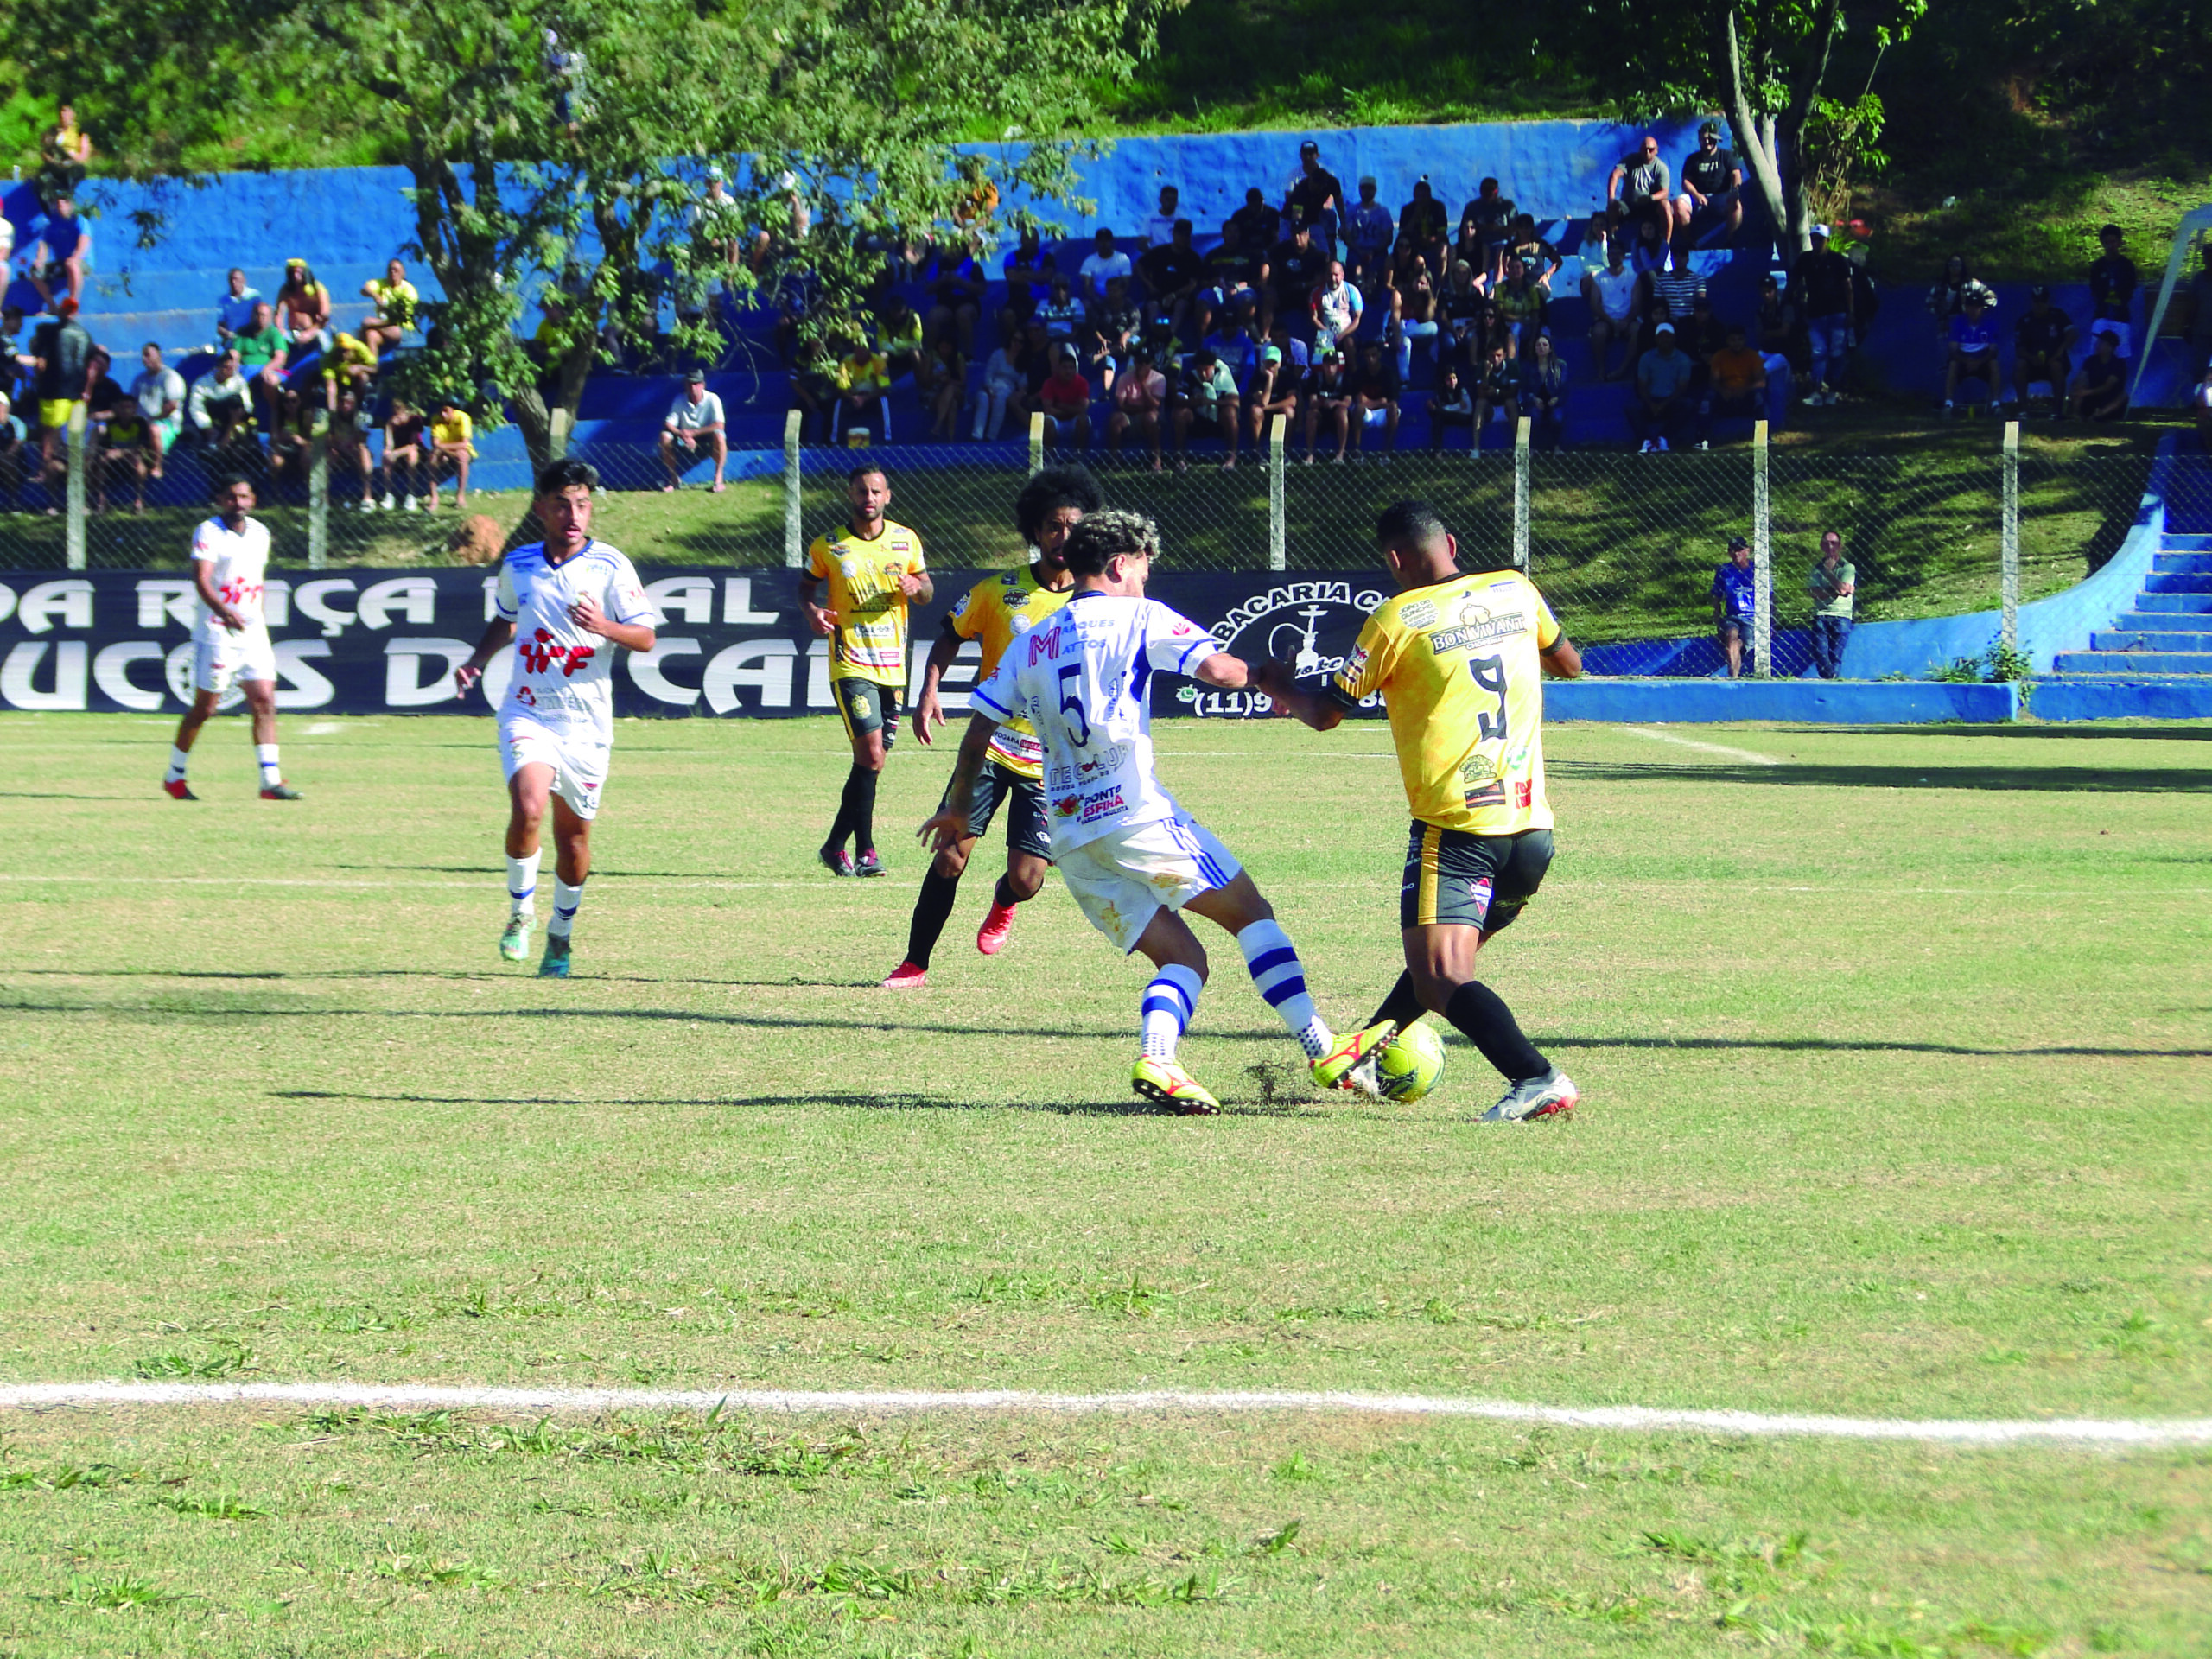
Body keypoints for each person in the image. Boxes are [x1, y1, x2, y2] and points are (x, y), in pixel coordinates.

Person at [928, 509, 1383, 1114]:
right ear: (1120, 565)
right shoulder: (1139, 615)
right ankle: (1321, 1046)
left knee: (1185, 957)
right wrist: (1270, 679)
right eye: (1144, 568)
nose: (1146, 580)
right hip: (1134, 815)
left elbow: (979, 726)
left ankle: (1160, 1060)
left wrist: (959, 806)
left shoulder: (1031, 641)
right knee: (1251, 913)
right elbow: (1220, 670)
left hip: (1070, 837)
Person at [1257, 499, 1584, 1124]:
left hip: (1457, 829)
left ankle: (1536, 1076)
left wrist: (1278, 686)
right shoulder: (1516, 591)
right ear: (1452, 544)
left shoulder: (1398, 617)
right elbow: (1567, 661)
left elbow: (1326, 712)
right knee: (1441, 965)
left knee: (1439, 977)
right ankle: (1361, 1050)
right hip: (1532, 831)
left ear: (1395, 560)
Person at [887, 467, 1103, 989]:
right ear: (1035, 530)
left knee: (1029, 880)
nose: (1063, 537)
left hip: (1051, 762)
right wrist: (929, 690)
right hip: (989, 746)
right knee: (950, 856)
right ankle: (915, 962)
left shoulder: (1099, 602)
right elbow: (948, 635)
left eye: (1073, 527)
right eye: (1053, 526)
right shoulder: (998, 590)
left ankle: (1004, 901)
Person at [453, 459, 658, 977]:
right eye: (563, 504)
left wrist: (605, 625)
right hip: (528, 711)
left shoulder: (610, 565)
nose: (574, 514)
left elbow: (646, 636)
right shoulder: (519, 564)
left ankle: (560, 935)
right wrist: (477, 661)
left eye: (583, 504)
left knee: (574, 841)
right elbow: (505, 618)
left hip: (586, 725)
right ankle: (520, 914)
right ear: (542, 507)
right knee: (527, 806)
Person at [802, 467, 931, 877]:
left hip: (892, 666)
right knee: (871, 754)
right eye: (861, 491)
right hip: (850, 662)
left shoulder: (905, 540)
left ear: (888, 496)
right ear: (850, 494)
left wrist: (917, 587)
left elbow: (927, 590)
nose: (868, 497)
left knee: (872, 763)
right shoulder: (830, 545)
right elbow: (805, 586)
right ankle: (867, 850)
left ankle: (834, 844)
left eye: (876, 491)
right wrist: (813, 611)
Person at [162, 476, 303, 803]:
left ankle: (270, 782)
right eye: (232, 497)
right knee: (206, 709)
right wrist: (224, 612)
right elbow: (202, 579)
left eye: (244, 496)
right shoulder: (208, 532)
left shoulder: (260, 532)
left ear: (252, 500)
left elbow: (255, 581)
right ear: (220, 500)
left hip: (253, 631)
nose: (238, 503)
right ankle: (174, 776)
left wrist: (255, 618)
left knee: (264, 700)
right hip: (217, 630)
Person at [29, 297, 94, 514]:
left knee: (51, 445)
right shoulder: (85, 334)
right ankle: (74, 502)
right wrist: (87, 390)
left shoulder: (49, 331)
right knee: (74, 450)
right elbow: (93, 363)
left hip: (55, 394)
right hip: (74, 396)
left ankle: (53, 500)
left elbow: (39, 361)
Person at [1789, 225, 1857, 405]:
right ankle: (1818, 391)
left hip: (1837, 313)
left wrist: (1850, 312)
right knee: (1818, 353)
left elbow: (1848, 288)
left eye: (1820, 239)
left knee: (1837, 352)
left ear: (1827, 240)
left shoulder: (1838, 260)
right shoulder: (1805, 260)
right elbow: (1794, 281)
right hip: (1815, 314)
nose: (1816, 242)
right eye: (1814, 239)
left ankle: (1833, 390)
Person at [1173, 346, 1241, 470]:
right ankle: (1180, 459)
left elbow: (1235, 402)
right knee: (1179, 413)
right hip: (1199, 420)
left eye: (1206, 369)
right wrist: (1193, 402)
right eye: (1200, 370)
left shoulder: (1223, 376)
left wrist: (1211, 402)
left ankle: (1232, 457)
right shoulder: (1191, 377)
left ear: (1213, 367)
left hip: (1219, 421)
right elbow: (1177, 400)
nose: (1203, 374)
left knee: (1231, 412)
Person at [1136, 219, 1205, 342]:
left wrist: (1174, 295)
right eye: (1180, 234)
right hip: (1158, 292)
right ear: (1174, 234)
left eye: (1186, 235)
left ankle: (1169, 338)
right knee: (1152, 305)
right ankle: (1154, 338)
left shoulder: (1193, 258)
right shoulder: (1160, 252)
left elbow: (1193, 284)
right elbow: (1139, 266)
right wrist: (1149, 285)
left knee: (1181, 305)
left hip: (1180, 296)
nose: (1183, 238)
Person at [2012, 284, 2076, 415]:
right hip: (2032, 362)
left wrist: (2060, 351)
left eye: (2043, 301)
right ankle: (2023, 409)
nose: (2039, 305)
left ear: (2048, 301)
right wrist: (2031, 358)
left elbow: (2072, 334)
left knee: (2056, 366)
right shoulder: (2025, 321)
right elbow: (2019, 349)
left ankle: (2057, 410)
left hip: (2054, 359)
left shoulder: (2058, 315)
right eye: (2036, 302)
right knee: (2020, 365)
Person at [1700, 323, 1768, 446]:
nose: (1737, 343)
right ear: (1727, 341)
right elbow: (1713, 381)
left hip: (1745, 398)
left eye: (1740, 339)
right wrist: (1722, 391)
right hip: (1726, 398)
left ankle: (1764, 438)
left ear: (1745, 340)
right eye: (1733, 340)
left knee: (1759, 396)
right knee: (1707, 399)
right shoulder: (1719, 356)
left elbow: (1761, 381)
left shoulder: (1753, 356)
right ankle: (1702, 440)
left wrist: (1745, 390)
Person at [658, 369, 728, 491]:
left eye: (696, 383)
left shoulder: (713, 398)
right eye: (690, 383)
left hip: (707, 438)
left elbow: (719, 425)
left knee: (720, 435)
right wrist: (682, 434)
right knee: (665, 436)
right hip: (684, 438)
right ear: (685, 385)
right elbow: (668, 423)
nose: (693, 387)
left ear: (703, 385)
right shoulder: (679, 399)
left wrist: (693, 433)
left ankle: (718, 478)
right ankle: (674, 478)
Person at [1630, 321, 1694, 453]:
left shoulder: (1683, 359)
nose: (1664, 339)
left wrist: (1663, 404)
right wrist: (1651, 403)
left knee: (1689, 405)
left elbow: (1682, 388)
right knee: (1632, 408)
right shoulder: (1646, 358)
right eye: (1661, 336)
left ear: (1674, 338)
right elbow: (1642, 385)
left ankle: (1663, 439)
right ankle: (1647, 442)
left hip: (1671, 401)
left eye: (1668, 336)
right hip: (1651, 400)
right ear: (1655, 339)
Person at [1582, 238, 1639, 381]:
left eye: (1618, 253)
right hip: (1606, 319)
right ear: (1607, 256)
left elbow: (1637, 303)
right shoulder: (1599, 278)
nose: (1615, 256)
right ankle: (1601, 370)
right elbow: (1595, 305)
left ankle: (1622, 369)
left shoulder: (1633, 277)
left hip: (1628, 319)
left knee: (1637, 331)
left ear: (1623, 255)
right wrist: (1612, 322)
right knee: (1598, 331)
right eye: (1612, 253)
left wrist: (1626, 321)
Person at [128, 342, 186, 481]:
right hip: (142, 423)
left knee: (154, 429)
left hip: (166, 424)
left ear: (159, 356)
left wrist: (153, 419)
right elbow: (133, 403)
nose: (144, 359)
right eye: (143, 355)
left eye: (148, 355)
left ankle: (157, 466)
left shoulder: (170, 377)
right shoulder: (139, 379)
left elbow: (172, 405)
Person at [1679, 121, 1742, 246]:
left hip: (1721, 197)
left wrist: (1735, 190)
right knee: (1679, 204)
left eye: (1709, 139)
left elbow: (1736, 174)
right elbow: (1686, 182)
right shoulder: (1692, 159)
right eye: (1703, 139)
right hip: (1698, 198)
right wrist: (1696, 194)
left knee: (1736, 204)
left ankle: (1730, 240)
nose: (1707, 142)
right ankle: (1689, 242)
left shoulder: (1726, 156)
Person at [1942, 290, 2003, 416]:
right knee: (1953, 365)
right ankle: (1948, 404)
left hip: (1983, 361)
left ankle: (1996, 404)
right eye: (1971, 307)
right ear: (1966, 307)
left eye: (1977, 307)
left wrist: (1978, 362)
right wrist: (1967, 361)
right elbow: (1952, 350)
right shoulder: (1958, 322)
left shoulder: (1990, 323)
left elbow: (1993, 350)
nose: (1974, 310)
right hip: (1963, 361)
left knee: (1994, 364)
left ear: (1982, 308)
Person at [1108, 346, 1167, 468]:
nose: (1143, 365)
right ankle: (1115, 460)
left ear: (1151, 364)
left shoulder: (1159, 378)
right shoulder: (1124, 377)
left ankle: (1156, 460)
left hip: (1149, 415)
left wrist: (1142, 384)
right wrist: (1143, 409)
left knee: (1151, 418)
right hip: (1130, 414)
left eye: (1146, 362)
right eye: (1140, 362)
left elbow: (1156, 405)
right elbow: (1121, 405)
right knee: (1115, 419)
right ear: (1135, 362)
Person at [1806, 530, 1854, 679]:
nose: (1830, 547)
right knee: (1820, 653)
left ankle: (1832, 683)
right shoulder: (1816, 568)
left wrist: (1828, 574)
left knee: (1835, 656)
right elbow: (1814, 592)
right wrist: (1838, 590)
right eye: (1826, 543)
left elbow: (1841, 588)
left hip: (1842, 615)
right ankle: (1832, 677)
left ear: (1839, 546)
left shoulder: (1847, 567)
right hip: (1821, 615)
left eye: (1833, 543)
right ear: (1821, 546)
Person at [28, 195, 90, 308]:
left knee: (71, 264)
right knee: (35, 272)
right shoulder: (51, 224)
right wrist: (40, 261)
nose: (60, 204)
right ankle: (52, 306)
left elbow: (84, 240)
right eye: (57, 202)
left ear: (70, 205)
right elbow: (44, 245)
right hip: (61, 263)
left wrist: (76, 258)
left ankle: (72, 304)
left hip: (81, 262)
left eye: (64, 201)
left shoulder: (79, 220)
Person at [187, 350, 254, 453]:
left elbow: (247, 405)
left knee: (236, 401)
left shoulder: (239, 382)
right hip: (213, 419)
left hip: (235, 418)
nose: (230, 371)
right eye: (226, 367)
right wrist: (207, 427)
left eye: (233, 368)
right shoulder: (202, 383)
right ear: (218, 367)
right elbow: (196, 407)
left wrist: (236, 420)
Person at [2087, 223, 2137, 361]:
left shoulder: (2127, 266)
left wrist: (2119, 298)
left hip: (2121, 317)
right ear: (2102, 244)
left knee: (2121, 357)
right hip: (2101, 316)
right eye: (2107, 242)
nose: (2110, 246)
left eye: (2113, 241)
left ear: (2119, 242)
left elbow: (2130, 289)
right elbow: (2094, 290)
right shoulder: (2098, 266)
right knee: (2095, 356)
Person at [1287, 140, 1345, 255]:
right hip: (1299, 210)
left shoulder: (1328, 175)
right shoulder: (1295, 178)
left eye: (1311, 154)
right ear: (1300, 155)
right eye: (1305, 154)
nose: (1308, 157)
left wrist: (1343, 223)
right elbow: (1291, 200)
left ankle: (1330, 253)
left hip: (1321, 210)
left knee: (1328, 215)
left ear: (1317, 155)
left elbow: (1336, 198)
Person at [1712, 534, 1758, 677]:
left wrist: (1771, 620)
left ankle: (1738, 654)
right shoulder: (1724, 571)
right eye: (1732, 550)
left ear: (1747, 550)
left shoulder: (1757, 570)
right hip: (1733, 616)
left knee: (1742, 641)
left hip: (1753, 616)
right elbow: (1716, 596)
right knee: (1731, 637)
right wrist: (1718, 618)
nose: (1736, 553)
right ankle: (1734, 676)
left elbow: (1769, 597)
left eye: (1739, 549)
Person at [1516, 330, 1569, 449]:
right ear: (1534, 349)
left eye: (1544, 345)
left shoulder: (1561, 366)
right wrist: (1533, 399)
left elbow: (1564, 389)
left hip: (1554, 403)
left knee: (1557, 417)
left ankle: (1557, 447)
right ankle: (1530, 448)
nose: (1541, 347)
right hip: (1534, 403)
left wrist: (1557, 399)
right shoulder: (1527, 367)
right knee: (1530, 415)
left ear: (1550, 348)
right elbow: (1523, 390)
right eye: (1538, 345)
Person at [1244, 343, 1300, 454]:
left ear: (1279, 364)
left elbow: (1292, 401)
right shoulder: (1257, 378)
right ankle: (1258, 453)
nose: (1270, 366)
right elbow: (1263, 401)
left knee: (1289, 412)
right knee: (1255, 410)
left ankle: (1285, 452)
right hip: (1263, 417)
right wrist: (1269, 379)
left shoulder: (1287, 376)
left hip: (1279, 413)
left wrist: (1268, 407)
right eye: (1268, 362)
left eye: (1273, 363)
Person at [1300, 349, 1353, 464]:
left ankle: (1341, 454)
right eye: (1327, 365)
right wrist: (1323, 402)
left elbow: (1347, 402)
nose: (1330, 368)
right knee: (1311, 414)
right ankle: (1310, 454)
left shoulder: (1344, 379)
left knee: (1342, 412)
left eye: (1333, 365)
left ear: (1337, 366)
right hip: (1321, 414)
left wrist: (1334, 403)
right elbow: (1312, 402)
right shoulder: (1315, 379)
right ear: (1323, 365)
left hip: (1336, 414)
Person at [1606, 136, 1670, 229]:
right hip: (1628, 205)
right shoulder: (1631, 160)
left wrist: (1651, 198)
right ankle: (1611, 237)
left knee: (1665, 206)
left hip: (1650, 206)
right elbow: (1614, 175)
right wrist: (1611, 199)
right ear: (1640, 149)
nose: (1647, 152)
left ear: (1656, 150)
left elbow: (1665, 192)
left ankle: (1665, 242)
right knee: (1613, 206)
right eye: (1645, 149)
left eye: (1651, 149)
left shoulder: (1661, 168)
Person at [1037, 346, 1093, 451]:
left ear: (1075, 369)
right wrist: (1072, 410)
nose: (1068, 371)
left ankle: (1079, 459)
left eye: (1071, 368)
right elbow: (1048, 410)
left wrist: (1060, 406)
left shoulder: (1082, 383)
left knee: (1084, 420)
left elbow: (1082, 409)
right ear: (1058, 368)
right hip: (1056, 422)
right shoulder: (1049, 383)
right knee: (1047, 421)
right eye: (1065, 367)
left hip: (1074, 421)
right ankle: (1049, 461)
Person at [1344, 177, 1395, 289]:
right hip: (1356, 250)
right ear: (1359, 189)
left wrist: (1374, 251)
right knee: (1356, 267)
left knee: (1375, 269)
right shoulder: (1352, 211)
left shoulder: (1383, 212)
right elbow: (1347, 236)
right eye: (1364, 188)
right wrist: (1360, 251)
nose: (1367, 191)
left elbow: (1388, 238)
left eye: (1370, 188)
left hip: (1378, 252)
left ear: (1375, 190)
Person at [359, 258, 420, 354]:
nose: (392, 273)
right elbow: (364, 290)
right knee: (371, 334)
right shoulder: (383, 283)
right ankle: (372, 366)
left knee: (367, 322)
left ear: (403, 273)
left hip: (402, 329)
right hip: (383, 326)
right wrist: (375, 295)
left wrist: (374, 323)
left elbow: (402, 317)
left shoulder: (409, 291)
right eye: (390, 270)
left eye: (396, 270)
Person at [1351, 340, 1400, 456]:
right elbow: (1360, 401)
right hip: (1367, 414)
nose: (1370, 359)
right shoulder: (1359, 374)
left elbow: (1391, 402)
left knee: (1394, 408)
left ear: (1379, 355)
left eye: (1373, 355)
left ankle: (1387, 452)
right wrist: (1380, 402)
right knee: (1358, 409)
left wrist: (1370, 402)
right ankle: (1357, 451)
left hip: (1383, 414)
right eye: (1367, 356)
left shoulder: (1389, 374)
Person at [836, 336, 891, 439]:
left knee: (884, 401)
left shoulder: (878, 361)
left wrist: (865, 398)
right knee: (838, 403)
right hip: (853, 397)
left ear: (869, 348)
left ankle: (887, 438)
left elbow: (883, 389)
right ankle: (834, 439)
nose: (860, 350)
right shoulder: (846, 361)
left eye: (863, 347)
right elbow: (841, 388)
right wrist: (854, 398)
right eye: (857, 347)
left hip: (871, 397)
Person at [2069, 327, 2128, 422]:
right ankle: (2076, 414)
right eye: (2098, 342)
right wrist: (2077, 387)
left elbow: (2108, 386)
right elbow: (2082, 377)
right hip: (2091, 399)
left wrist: (2087, 392)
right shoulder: (2091, 361)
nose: (2097, 345)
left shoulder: (2118, 364)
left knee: (2123, 396)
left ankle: (2099, 415)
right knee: (2079, 386)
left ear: (2110, 347)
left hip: (2109, 400)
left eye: (2101, 343)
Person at [381, 400, 429, 510]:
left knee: (411, 456)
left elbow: (413, 445)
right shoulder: (391, 421)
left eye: (399, 408)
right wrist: (389, 427)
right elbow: (388, 446)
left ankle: (411, 495)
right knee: (385, 455)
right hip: (397, 452)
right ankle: (388, 495)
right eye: (394, 408)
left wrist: (396, 453)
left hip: (415, 451)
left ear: (405, 409)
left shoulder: (415, 420)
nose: (396, 411)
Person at [1310, 259, 1363, 356]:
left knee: (1349, 343)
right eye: (1330, 275)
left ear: (1342, 275)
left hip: (1347, 333)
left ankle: (1353, 369)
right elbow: (1314, 318)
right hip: (1325, 333)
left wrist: (1341, 335)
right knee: (1322, 352)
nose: (1333, 278)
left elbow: (1357, 318)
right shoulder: (1316, 292)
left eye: (1336, 275)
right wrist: (1327, 333)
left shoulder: (1351, 290)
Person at [428, 397, 474, 508]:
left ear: (453, 410)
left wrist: (442, 447)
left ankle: (460, 496)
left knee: (463, 456)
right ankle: (434, 496)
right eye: (441, 411)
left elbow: (464, 444)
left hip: (457, 449)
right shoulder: (436, 419)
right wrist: (442, 449)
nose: (443, 415)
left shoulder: (463, 417)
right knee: (432, 458)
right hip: (443, 451)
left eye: (446, 411)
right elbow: (435, 442)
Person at [1428, 363, 1477, 453]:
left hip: (1464, 418)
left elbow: (1468, 409)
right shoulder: (1441, 393)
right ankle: (1437, 452)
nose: (1452, 382)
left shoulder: (1463, 390)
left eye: (1454, 378)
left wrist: (1445, 409)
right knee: (1438, 418)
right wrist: (1457, 407)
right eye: (1448, 379)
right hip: (1449, 416)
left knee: (1439, 413)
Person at [1077, 228, 1133, 306]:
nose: (1104, 244)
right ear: (1096, 243)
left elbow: (1125, 284)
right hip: (1097, 299)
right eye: (1101, 241)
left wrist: (1115, 297)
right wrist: (1096, 299)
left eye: (1107, 240)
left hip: (1118, 297)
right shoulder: (1089, 261)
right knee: (1086, 305)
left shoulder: (1123, 258)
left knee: (1130, 304)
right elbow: (1087, 286)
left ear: (1112, 242)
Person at [215, 269, 263, 349]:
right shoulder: (224, 300)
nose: (234, 283)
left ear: (244, 281)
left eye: (236, 279)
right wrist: (227, 334)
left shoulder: (254, 296)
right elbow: (219, 326)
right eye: (231, 280)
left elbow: (261, 318)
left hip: (250, 339)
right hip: (232, 341)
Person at [1142, 185, 1180, 250]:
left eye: (1174, 200)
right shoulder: (1150, 218)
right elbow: (1142, 243)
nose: (1171, 202)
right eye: (1168, 199)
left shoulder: (1181, 218)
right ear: (1160, 200)